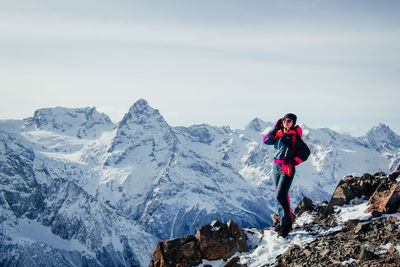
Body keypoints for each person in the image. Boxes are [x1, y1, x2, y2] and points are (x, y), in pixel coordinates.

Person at [263, 113, 310, 237]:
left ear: (293, 123)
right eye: (284, 120)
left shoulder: (294, 137)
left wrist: (293, 162)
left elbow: (306, 152)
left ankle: (286, 225)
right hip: (276, 167)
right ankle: (283, 222)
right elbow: (266, 141)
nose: (286, 122)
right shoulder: (279, 133)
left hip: (286, 167)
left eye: (289, 121)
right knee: (281, 195)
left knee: (281, 195)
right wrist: (275, 128)